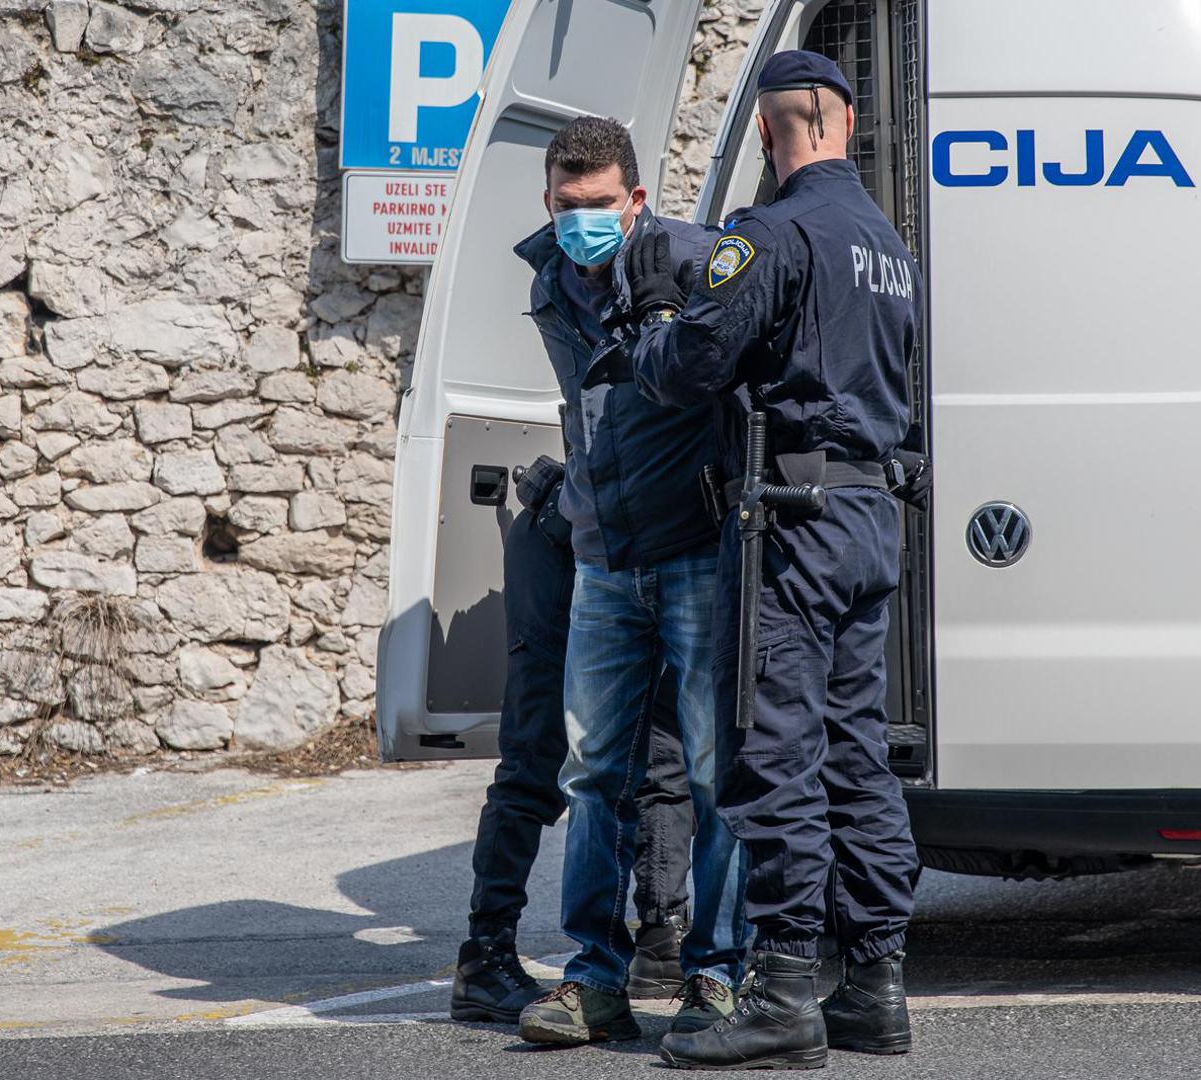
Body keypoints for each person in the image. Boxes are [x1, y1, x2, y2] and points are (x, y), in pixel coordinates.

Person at [620, 50, 923, 1071]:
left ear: (767, 130)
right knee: (856, 753)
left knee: (777, 749)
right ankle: (874, 984)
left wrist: (655, 325)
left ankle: (786, 987)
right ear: (841, 120)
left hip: (792, 519)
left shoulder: (773, 233)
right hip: (869, 516)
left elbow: (694, 363)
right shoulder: (884, 241)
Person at [512, 115, 750, 1048]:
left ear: (637, 198)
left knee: (708, 771)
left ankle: (717, 975)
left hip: (694, 549)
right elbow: (585, 415)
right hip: (605, 561)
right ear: (549, 202)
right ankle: (593, 980)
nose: (583, 222)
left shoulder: (694, 263)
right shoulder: (549, 277)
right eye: (569, 207)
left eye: (601, 205)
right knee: (593, 774)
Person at [448, 459, 695, 1024]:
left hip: (643, 547)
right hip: (568, 546)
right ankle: (484, 958)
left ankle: (660, 933)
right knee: (536, 760)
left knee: (662, 753)